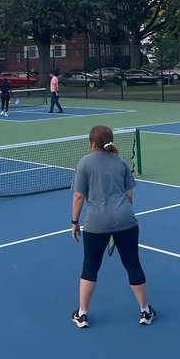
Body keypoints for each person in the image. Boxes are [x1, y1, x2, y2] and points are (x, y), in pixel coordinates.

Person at [70, 124, 154, 328]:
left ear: (92, 144)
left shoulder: (84, 163)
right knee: (133, 264)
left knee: (90, 267)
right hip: (125, 221)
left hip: (96, 224)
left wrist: (74, 222)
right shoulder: (121, 162)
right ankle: (145, 311)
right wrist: (119, 216)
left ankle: (82, 314)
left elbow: (79, 196)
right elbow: (129, 195)